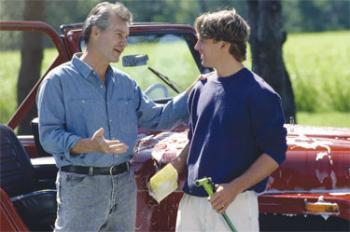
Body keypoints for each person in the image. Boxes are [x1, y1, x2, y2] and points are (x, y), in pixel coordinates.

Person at [37, 2, 193, 231]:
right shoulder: (58, 81)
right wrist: (86, 145)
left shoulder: (125, 84)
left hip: (124, 184)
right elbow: (49, 136)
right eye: (119, 34)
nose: (124, 42)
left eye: (127, 36)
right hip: (82, 187)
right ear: (96, 32)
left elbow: (158, 118)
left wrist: (194, 92)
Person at [171, 9, 287, 231]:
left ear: (224, 45)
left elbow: (275, 153)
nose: (197, 47)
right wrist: (177, 164)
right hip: (192, 203)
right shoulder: (200, 87)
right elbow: (196, 138)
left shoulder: (260, 93)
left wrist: (234, 188)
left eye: (202, 40)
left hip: (235, 204)